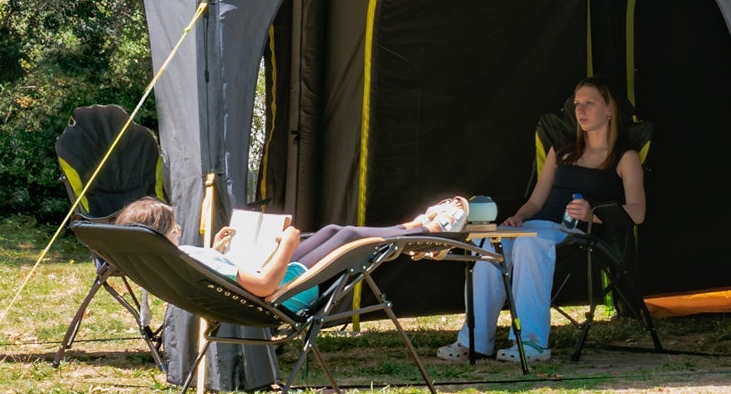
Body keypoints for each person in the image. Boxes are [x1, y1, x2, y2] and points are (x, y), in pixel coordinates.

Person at [444, 77, 648, 363]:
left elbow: (637, 212)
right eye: (577, 104)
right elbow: (536, 201)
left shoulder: (624, 158)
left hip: (574, 232)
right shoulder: (562, 151)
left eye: (590, 103)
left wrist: (593, 215)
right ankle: (475, 341)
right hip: (537, 225)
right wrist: (518, 217)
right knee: (487, 241)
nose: (581, 110)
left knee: (530, 244)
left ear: (609, 110)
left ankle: (531, 344)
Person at [111, 195, 463, 311]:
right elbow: (263, 285)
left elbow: (209, 269)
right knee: (351, 237)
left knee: (332, 232)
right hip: (286, 292)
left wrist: (218, 250)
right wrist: (287, 246)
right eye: (173, 228)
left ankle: (413, 230)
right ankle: (428, 233)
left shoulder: (171, 258)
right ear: (161, 235)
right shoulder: (187, 257)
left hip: (273, 283)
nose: (178, 231)